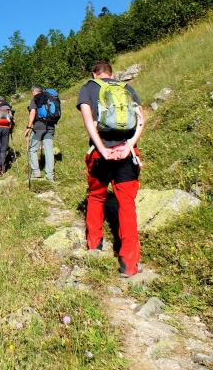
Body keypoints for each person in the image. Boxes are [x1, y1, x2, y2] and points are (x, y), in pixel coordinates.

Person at [77, 61, 145, 277]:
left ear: (94, 73)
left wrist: (103, 150)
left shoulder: (88, 88)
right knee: (126, 204)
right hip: (127, 154)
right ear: (112, 74)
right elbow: (141, 120)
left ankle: (94, 246)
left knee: (96, 197)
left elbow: (89, 121)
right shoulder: (126, 89)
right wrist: (128, 146)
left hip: (100, 154)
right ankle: (129, 264)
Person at [25, 85, 56, 181]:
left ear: (34, 92)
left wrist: (29, 127)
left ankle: (36, 172)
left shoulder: (35, 99)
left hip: (38, 127)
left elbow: (33, 112)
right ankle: (50, 175)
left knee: (33, 149)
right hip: (50, 126)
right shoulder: (49, 98)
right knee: (49, 150)